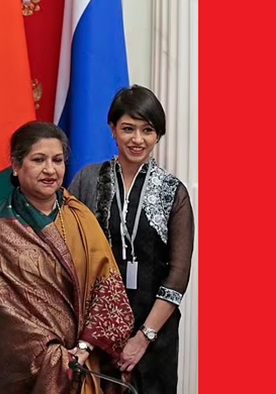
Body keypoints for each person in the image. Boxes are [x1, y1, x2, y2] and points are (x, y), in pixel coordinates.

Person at [0, 121, 134, 393]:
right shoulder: (1, 226)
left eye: (58, 160)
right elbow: (6, 315)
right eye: (38, 160)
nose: (50, 170)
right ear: (16, 165)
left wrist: (84, 348)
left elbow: (109, 289)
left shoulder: (80, 216)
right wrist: (59, 358)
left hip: (85, 361)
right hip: (27, 377)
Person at [69, 85, 195, 394]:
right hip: (95, 328)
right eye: (128, 128)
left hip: (154, 333)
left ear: (158, 135)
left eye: (147, 130)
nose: (137, 139)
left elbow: (178, 274)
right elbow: (69, 251)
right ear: (112, 129)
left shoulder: (173, 192)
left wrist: (143, 338)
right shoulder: (87, 179)